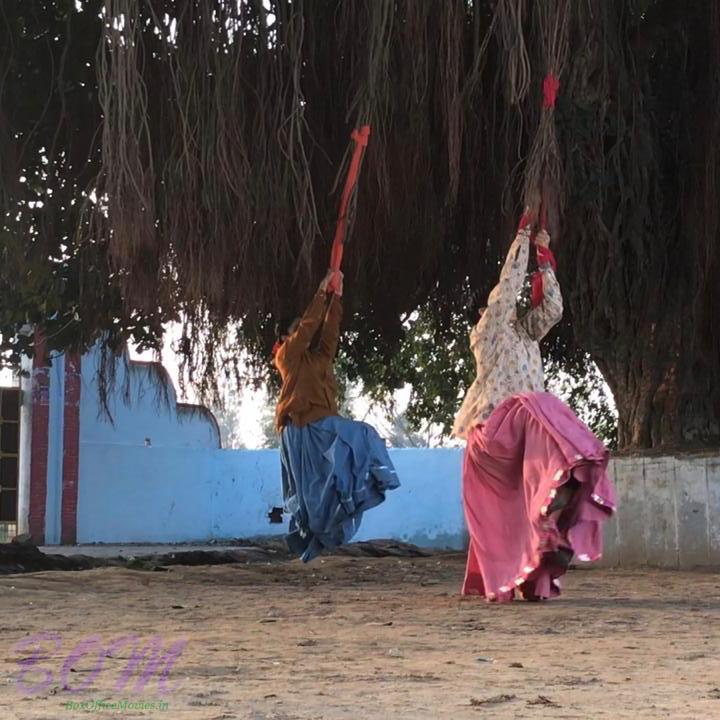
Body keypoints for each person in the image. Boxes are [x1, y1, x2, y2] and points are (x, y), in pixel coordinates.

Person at [453, 220, 616, 602]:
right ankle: (571, 462)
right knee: (539, 404)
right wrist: (522, 238)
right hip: (495, 429)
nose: (513, 306)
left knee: (526, 511)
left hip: (525, 431)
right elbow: (507, 290)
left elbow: (553, 309)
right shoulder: (487, 331)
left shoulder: (526, 335)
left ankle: (535, 569)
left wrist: (544, 260)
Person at [273, 269, 400, 562]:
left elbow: (328, 332)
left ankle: (338, 516)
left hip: (323, 427)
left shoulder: (318, 358)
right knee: (310, 496)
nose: (304, 336)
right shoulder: (286, 357)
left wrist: (336, 298)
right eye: (296, 332)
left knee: (335, 480)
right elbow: (308, 327)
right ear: (285, 337)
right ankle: (308, 533)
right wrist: (321, 293)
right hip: (300, 429)